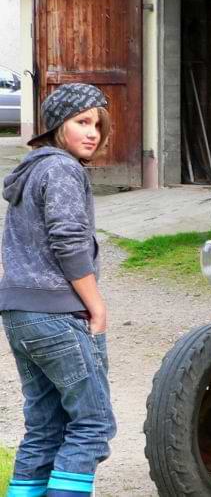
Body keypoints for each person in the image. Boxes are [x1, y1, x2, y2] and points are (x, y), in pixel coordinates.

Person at [1, 83, 116, 497]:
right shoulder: (62, 169)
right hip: (55, 316)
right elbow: (67, 241)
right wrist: (96, 306)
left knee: (46, 427)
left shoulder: (31, 170)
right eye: (82, 122)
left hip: (18, 314)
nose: (93, 133)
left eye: (98, 125)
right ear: (56, 126)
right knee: (92, 424)